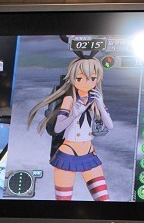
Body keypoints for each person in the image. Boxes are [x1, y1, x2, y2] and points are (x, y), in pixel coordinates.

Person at [28, 57, 113, 201]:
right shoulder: (69, 99)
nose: (87, 83)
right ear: (72, 78)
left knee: (104, 200)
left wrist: (100, 105)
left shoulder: (95, 98)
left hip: (89, 155)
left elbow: (110, 126)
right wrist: (74, 114)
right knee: (63, 202)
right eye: (80, 78)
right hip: (67, 155)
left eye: (92, 78)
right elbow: (58, 128)